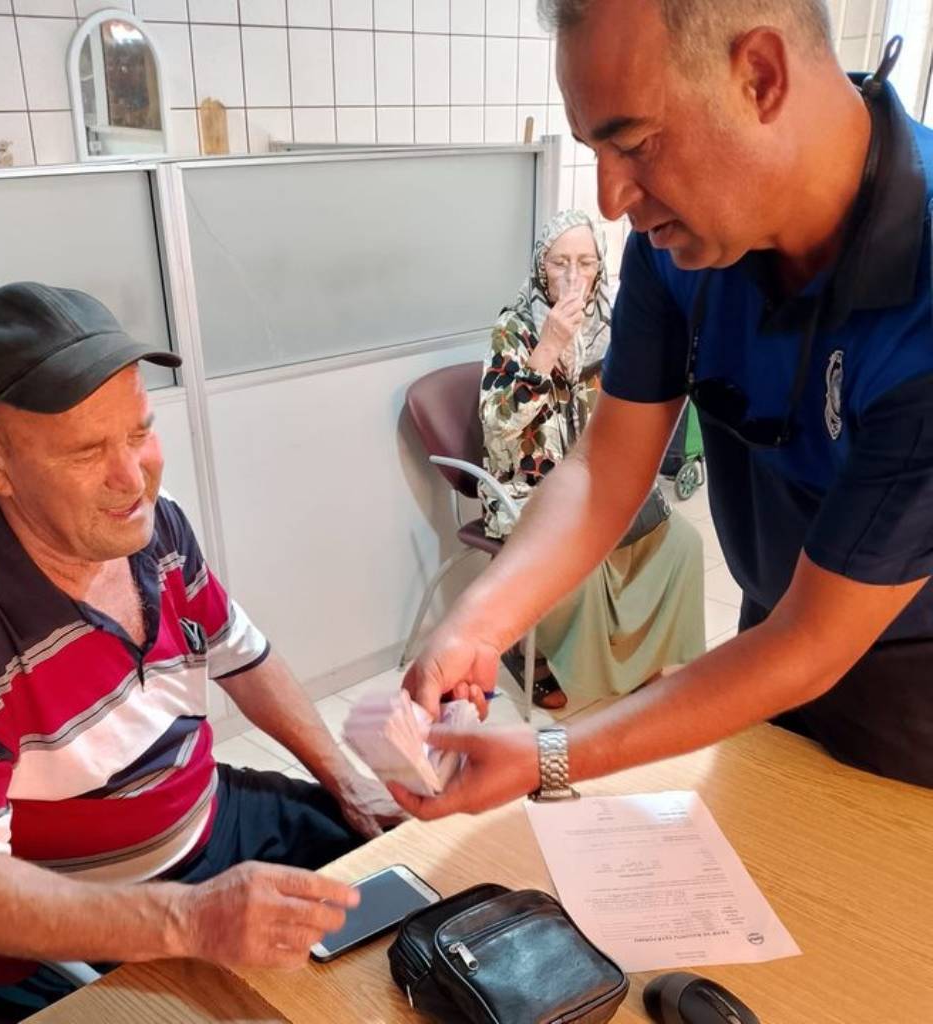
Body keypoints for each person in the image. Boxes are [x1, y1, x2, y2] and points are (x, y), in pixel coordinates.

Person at [392, 0, 933, 822]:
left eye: (636, 143)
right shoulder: (686, 244)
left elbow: (815, 642)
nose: (613, 201)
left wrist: (550, 753)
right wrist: (479, 620)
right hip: (774, 637)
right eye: (597, 152)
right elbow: (607, 467)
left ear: (759, 76)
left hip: (912, 699)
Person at [0, 282, 400, 1016]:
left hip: (204, 818)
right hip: (68, 916)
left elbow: (241, 653)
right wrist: (189, 921)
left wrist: (346, 779)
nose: (132, 478)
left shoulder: (151, 526)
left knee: (403, 900)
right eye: (86, 453)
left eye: (139, 432)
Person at [479, 208, 704, 709]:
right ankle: (539, 655)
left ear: (601, 267)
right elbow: (497, 428)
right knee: (583, 548)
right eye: (560, 262)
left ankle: (639, 659)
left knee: (681, 543)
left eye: (585, 261)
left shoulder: (613, 323)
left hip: (595, 479)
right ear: (541, 267)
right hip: (527, 484)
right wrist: (549, 346)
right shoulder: (513, 328)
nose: (573, 276)